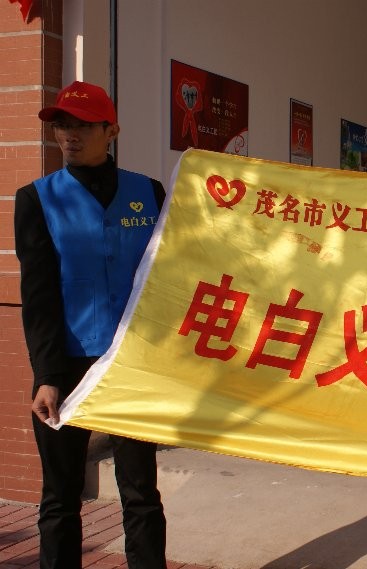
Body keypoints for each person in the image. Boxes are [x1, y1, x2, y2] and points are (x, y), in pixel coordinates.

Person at [14, 81, 168, 569]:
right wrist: (46, 375)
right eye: (62, 125)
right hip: (67, 364)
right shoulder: (37, 199)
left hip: (131, 364)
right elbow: (38, 296)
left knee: (140, 493)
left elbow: (167, 277)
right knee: (60, 497)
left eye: (82, 125)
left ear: (112, 131)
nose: (69, 135)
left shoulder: (149, 193)